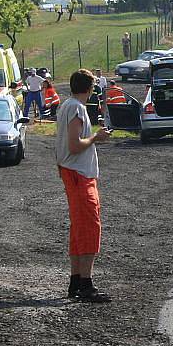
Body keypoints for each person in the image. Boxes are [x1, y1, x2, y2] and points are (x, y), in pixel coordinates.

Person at [55, 69, 113, 302]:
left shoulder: (66, 105)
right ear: (89, 89)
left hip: (73, 173)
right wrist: (96, 138)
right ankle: (86, 284)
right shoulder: (77, 108)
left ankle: (76, 281)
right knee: (90, 227)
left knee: (79, 228)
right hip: (80, 174)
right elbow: (75, 145)